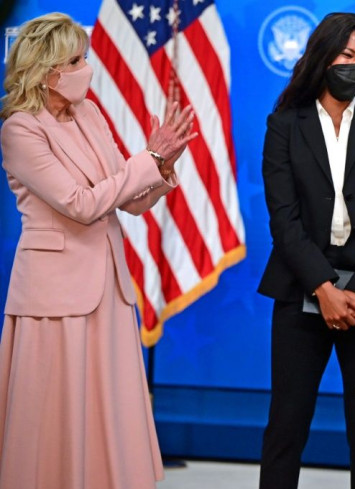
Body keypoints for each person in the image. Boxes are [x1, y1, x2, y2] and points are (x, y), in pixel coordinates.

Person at [0, 12, 196, 489]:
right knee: (55, 414)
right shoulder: (20, 128)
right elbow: (80, 204)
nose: (85, 67)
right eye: (75, 59)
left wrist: (161, 167)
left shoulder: (89, 112)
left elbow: (126, 199)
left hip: (107, 288)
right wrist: (146, 160)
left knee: (108, 407)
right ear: (45, 69)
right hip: (55, 298)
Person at [257, 12, 355, 489]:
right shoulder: (284, 124)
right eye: (347, 56)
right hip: (301, 288)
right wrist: (323, 288)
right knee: (287, 424)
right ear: (323, 57)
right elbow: (283, 218)